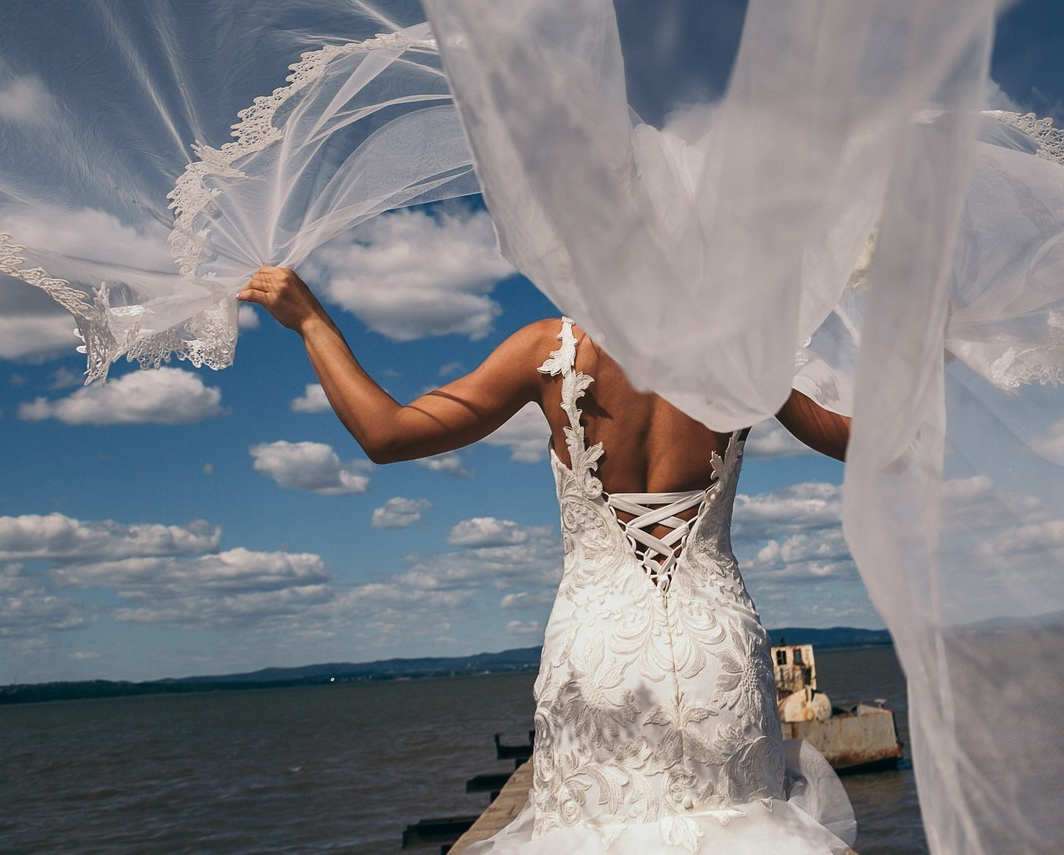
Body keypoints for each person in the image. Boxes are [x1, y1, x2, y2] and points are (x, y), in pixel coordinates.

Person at [240, 265, 860, 854]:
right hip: (716, 647)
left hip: (598, 651)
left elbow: (389, 433)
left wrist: (312, 322)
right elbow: (868, 439)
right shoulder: (744, 353)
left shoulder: (553, 347)